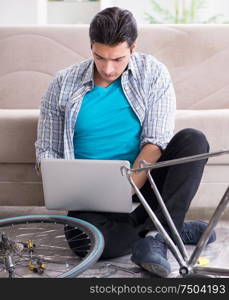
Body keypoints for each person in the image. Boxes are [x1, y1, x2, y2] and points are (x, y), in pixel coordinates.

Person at [35, 7, 216, 277]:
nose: (108, 68)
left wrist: (128, 185)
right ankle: (168, 229)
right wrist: (56, 175)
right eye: (100, 57)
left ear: (133, 48)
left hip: (142, 184)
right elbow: (46, 150)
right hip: (90, 198)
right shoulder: (62, 83)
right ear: (91, 47)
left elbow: (156, 141)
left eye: (118, 59)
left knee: (193, 141)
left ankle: (157, 237)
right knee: (87, 242)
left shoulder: (153, 73)